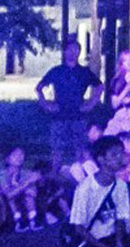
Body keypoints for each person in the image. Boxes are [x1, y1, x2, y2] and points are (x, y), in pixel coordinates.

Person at [37, 40, 101, 169]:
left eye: (76, 49)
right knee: (57, 149)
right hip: (59, 115)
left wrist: (91, 103)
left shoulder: (84, 72)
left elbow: (100, 86)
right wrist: (46, 104)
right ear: (65, 51)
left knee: (80, 148)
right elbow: (39, 87)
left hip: (79, 115)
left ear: (79, 52)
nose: (73, 52)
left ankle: (81, 176)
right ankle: (55, 176)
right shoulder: (57, 71)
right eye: (70, 49)